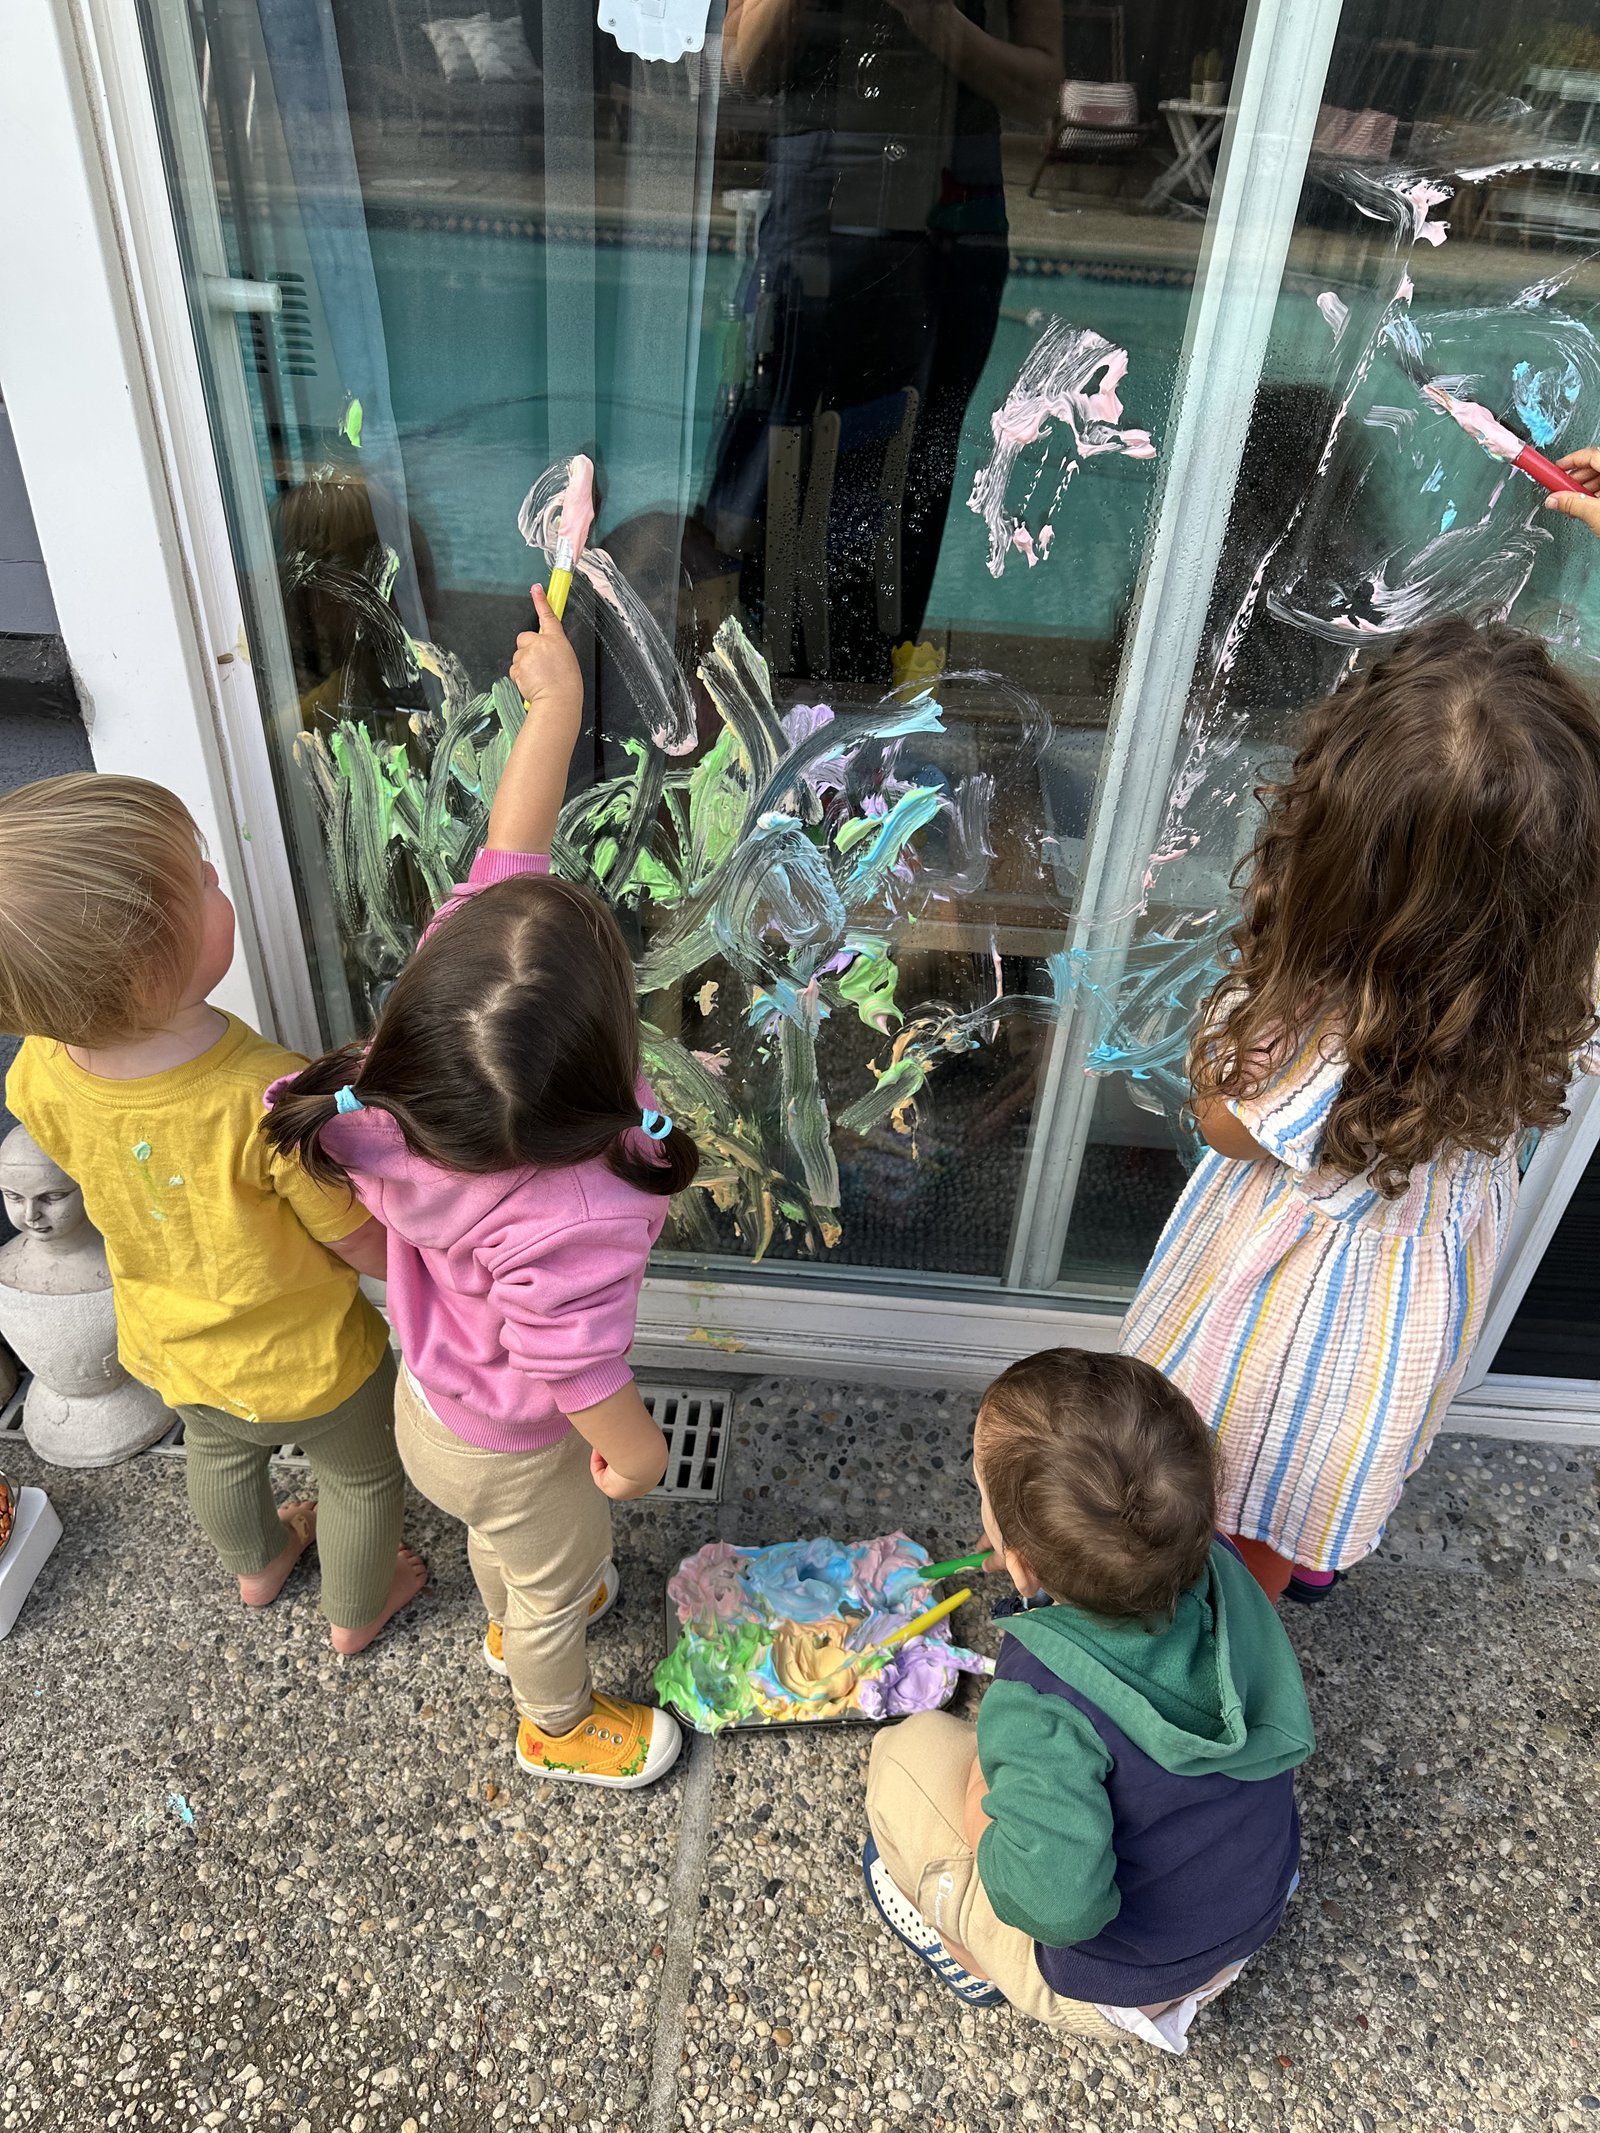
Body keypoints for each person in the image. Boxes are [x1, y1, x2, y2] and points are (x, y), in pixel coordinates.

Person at [262, 586, 694, 1790]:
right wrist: (635, 1460)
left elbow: (510, 855)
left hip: (433, 1403)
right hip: (516, 1436)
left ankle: (514, 1607)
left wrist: (550, 708)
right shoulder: (577, 1214)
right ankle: (551, 1719)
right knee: (559, 1567)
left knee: (516, 1544)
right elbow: (578, 1369)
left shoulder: (417, 1064)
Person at [1120, 617, 1600, 1601]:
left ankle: (1211, 1617)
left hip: (1288, 1314)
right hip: (1409, 1303)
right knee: (1312, 1469)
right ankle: (1287, 1563)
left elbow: (1220, 1123)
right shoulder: (1565, 972)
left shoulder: (1333, 1029)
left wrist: (1229, 1034)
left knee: (1232, 1478)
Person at [0, 774, 422, 1651]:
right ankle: (357, 1608)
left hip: (175, 1343)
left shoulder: (39, 1067)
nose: (217, 876)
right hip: (310, 1358)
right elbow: (357, 1238)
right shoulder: (263, 1093)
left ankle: (259, 1562)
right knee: (361, 1477)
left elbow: (77, 1147)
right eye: (198, 879)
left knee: (220, 1457)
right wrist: (424, 1255)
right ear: (152, 966)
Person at [863, 1348, 1312, 2049]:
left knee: (906, 1757)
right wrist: (1037, 1553)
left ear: (1021, 1560)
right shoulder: (1215, 1559)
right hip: (1257, 1895)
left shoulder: (1041, 1699)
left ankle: (974, 1958)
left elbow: (1059, 1904)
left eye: (983, 1493)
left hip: (1129, 1983)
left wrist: (986, 1819)